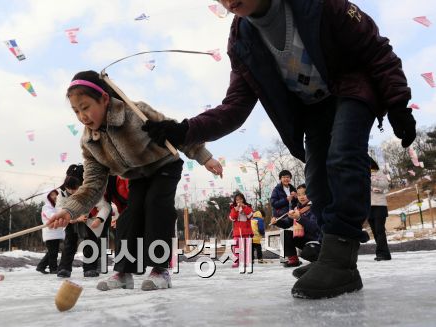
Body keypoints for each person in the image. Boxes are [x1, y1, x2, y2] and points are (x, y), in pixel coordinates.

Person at [142, 0, 416, 298]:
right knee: (316, 182)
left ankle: (341, 259)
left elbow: (376, 49)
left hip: (351, 88)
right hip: (313, 110)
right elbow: (235, 106)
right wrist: (185, 130)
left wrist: (398, 103)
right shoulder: (242, 41)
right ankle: (329, 250)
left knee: (343, 157)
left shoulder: (322, 5)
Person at [48, 70, 223, 292]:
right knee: (129, 216)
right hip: (137, 175)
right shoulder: (90, 142)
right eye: (76, 111)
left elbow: (174, 132)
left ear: (104, 99)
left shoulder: (134, 112)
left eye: (85, 107)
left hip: (164, 164)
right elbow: (92, 184)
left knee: (156, 205)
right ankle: (124, 272)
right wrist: (69, 210)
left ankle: (161, 270)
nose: (82, 116)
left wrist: (204, 157)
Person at [56, 175, 111, 278]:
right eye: (69, 189)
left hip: (89, 221)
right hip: (71, 221)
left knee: (90, 244)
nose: (72, 191)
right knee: (69, 244)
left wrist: (99, 219)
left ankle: (90, 269)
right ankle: (64, 268)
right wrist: (75, 219)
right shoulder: (62, 194)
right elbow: (60, 209)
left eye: (75, 189)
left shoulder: (90, 191)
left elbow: (105, 206)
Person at [271, 184, 321, 267]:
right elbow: (287, 224)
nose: (302, 197)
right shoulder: (297, 209)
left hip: (316, 240)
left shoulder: (315, 207)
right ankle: (293, 259)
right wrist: (277, 222)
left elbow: (315, 228)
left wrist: (299, 218)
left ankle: (321, 260)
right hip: (303, 239)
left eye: (304, 194)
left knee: (306, 253)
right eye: (299, 195)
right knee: (285, 234)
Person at [368, 157, 391, 261]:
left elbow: (385, 184)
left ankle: (383, 253)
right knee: (374, 230)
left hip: (379, 205)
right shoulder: (361, 173)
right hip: (368, 206)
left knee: (379, 230)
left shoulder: (378, 173)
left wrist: (371, 181)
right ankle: (383, 253)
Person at [36, 189, 64, 274]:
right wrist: (60, 217)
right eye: (52, 195)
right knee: (53, 252)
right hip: (50, 233)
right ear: (48, 197)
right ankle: (53, 269)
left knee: (52, 251)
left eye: (56, 194)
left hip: (57, 232)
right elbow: (51, 215)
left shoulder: (58, 206)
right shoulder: (46, 207)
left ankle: (41, 266)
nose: (55, 196)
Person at [229, 192, 254, 268]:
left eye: (240, 199)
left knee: (246, 248)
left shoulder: (248, 207)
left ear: (243, 200)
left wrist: (244, 207)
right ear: (235, 201)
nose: (239, 201)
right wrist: (235, 210)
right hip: (237, 232)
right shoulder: (233, 208)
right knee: (236, 247)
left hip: (246, 231)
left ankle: (246, 261)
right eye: (237, 200)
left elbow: (250, 216)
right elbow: (232, 218)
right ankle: (237, 261)